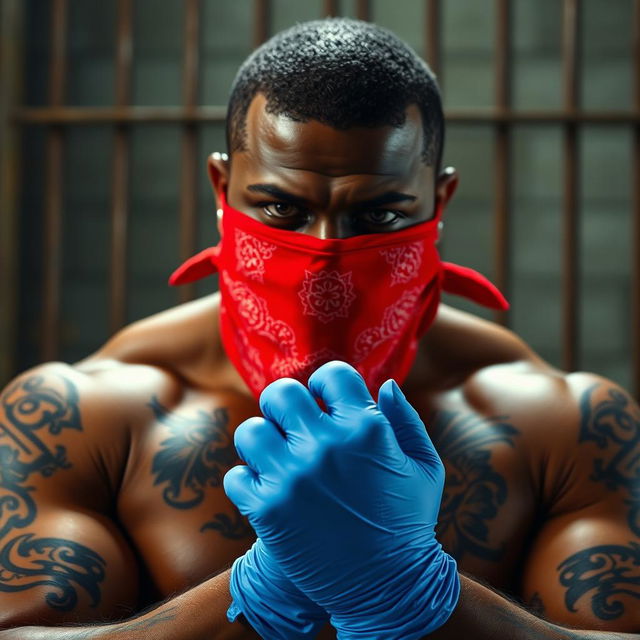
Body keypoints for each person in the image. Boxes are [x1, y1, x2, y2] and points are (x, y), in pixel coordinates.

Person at [0, 16, 638, 639]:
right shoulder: (82, 415)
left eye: (381, 214)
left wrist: (410, 592)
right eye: (282, 208)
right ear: (223, 186)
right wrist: (259, 592)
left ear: (437, 203)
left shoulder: (565, 425)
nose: (327, 255)